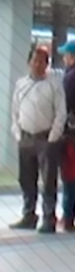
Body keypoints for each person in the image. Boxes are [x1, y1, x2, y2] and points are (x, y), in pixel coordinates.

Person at [9, 45, 66, 233]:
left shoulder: (54, 84)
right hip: (25, 137)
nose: (38, 64)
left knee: (48, 180)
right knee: (26, 179)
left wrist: (52, 138)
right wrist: (17, 133)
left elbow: (60, 113)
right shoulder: (21, 84)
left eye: (42, 61)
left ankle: (49, 218)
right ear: (28, 63)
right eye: (35, 60)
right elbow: (14, 111)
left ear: (47, 64)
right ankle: (28, 215)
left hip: (46, 139)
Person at [58, 40, 75, 231]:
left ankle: (68, 216)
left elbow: (64, 106)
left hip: (71, 136)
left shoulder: (70, 78)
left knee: (71, 177)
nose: (64, 59)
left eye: (66, 55)